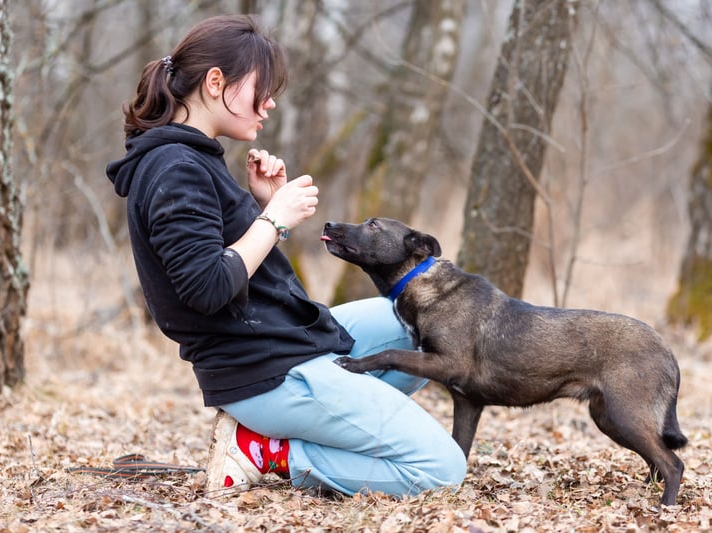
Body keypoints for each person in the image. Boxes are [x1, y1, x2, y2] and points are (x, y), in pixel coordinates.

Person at [105, 14, 466, 497]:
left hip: (284, 342)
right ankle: (268, 452)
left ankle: (333, 427)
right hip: (263, 370)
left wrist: (260, 205)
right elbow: (207, 288)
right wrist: (273, 219)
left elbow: (228, 263)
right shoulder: (175, 168)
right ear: (216, 82)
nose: (270, 102)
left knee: (419, 323)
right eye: (262, 88)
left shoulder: (193, 158)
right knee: (441, 468)